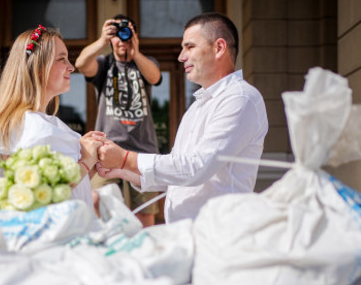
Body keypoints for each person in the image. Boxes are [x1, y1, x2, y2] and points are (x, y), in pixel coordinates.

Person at [95, 12, 268, 223]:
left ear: (219, 48)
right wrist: (120, 169)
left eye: (190, 47)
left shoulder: (240, 98)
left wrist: (125, 158)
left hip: (218, 235)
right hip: (189, 235)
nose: (181, 57)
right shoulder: (197, 107)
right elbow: (176, 175)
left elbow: (196, 167)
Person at [0, 25, 100, 208]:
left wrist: (88, 163)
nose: (71, 67)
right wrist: (87, 159)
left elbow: (69, 187)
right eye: (62, 59)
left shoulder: (36, 123)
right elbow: (44, 195)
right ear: (38, 68)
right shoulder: (29, 127)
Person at [75, 14, 162, 227]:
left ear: (135, 36)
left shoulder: (145, 63)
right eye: (116, 35)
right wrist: (101, 41)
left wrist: (135, 52)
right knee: (98, 207)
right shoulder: (104, 64)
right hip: (107, 149)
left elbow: (155, 78)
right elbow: (81, 64)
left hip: (142, 151)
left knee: (145, 216)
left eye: (126, 33)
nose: (121, 40)